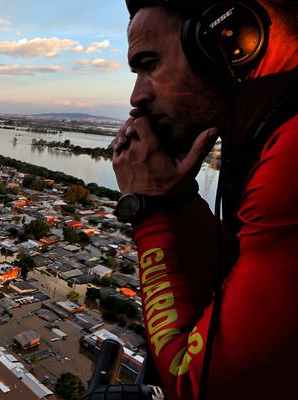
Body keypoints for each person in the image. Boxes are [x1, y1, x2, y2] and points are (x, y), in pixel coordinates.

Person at [111, 1, 298, 399]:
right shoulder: (271, 128)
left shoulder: (293, 155)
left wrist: (152, 210)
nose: (136, 96)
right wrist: (177, 197)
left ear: (226, 38)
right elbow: (246, 283)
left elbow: (196, 382)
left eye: (149, 64)